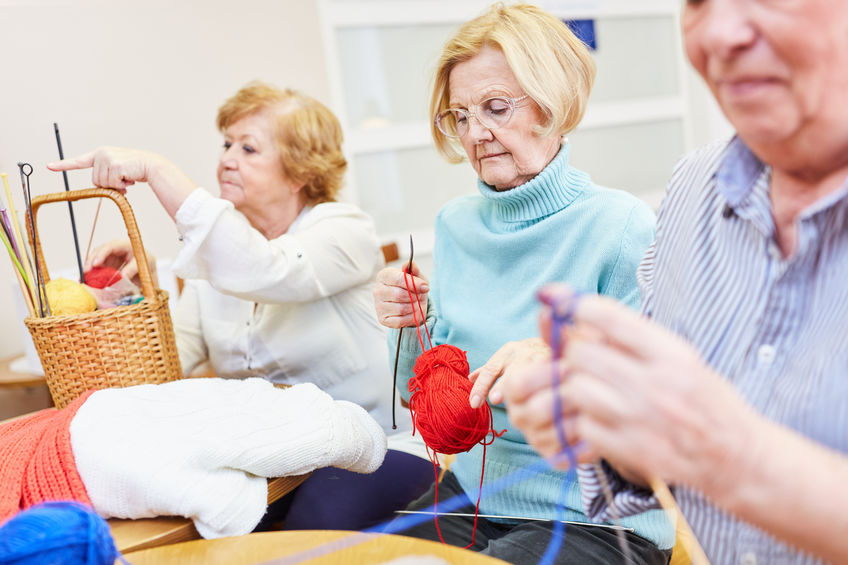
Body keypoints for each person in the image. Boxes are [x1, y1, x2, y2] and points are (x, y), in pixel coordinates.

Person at [502, 0, 848, 563]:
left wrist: (729, 458)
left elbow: (711, 451)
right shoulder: (694, 187)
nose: (718, 34)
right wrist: (613, 425)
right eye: (696, 3)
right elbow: (658, 456)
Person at [48, 81, 432, 531]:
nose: (227, 157)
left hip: (372, 450)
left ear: (300, 172)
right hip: (267, 466)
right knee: (189, 535)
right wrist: (134, 295)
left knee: (305, 534)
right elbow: (164, 370)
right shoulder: (216, 264)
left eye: (249, 148)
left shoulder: (345, 231)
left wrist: (157, 170)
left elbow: (267, 269)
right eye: (227, 143)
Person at [372, 5, 671, 564]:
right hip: (479, 496)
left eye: (495, 107)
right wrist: (406, 326)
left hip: (599, 517)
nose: (475, 133)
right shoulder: (454, 225)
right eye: (459, 116)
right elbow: (426, 401)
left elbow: (659, 416)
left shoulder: (622, 227)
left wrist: (561, 361)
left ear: (554, 106)